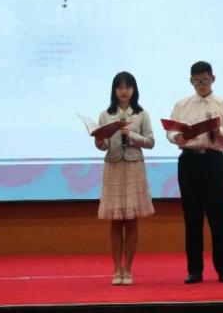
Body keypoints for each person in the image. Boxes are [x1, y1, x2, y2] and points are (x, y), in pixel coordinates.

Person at [166, 61, 223, 284]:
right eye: (197, 81)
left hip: (214, 161)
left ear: (213, 79)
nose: (201, 84)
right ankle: (194, 270)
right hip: (189, 161)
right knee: (192, 218)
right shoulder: (182, 105)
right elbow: (170, 132)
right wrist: (179, 137)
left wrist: (220, 131)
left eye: (205, 80)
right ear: (191, 81)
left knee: (219, 217)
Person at [95, 70, 155, 286]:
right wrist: (99, 142)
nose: (124, 91)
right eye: (119, 87)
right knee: (115, 221)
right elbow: (103, 145)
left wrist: (131, 135)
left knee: (131, 220)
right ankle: (116, 269)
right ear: (114, 90)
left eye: (128, 87)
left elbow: (150, 142)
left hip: (133, 167)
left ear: (134, 90)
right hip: (114, 167)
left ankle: (128, 268)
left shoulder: (141, 114)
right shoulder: (106, 115)